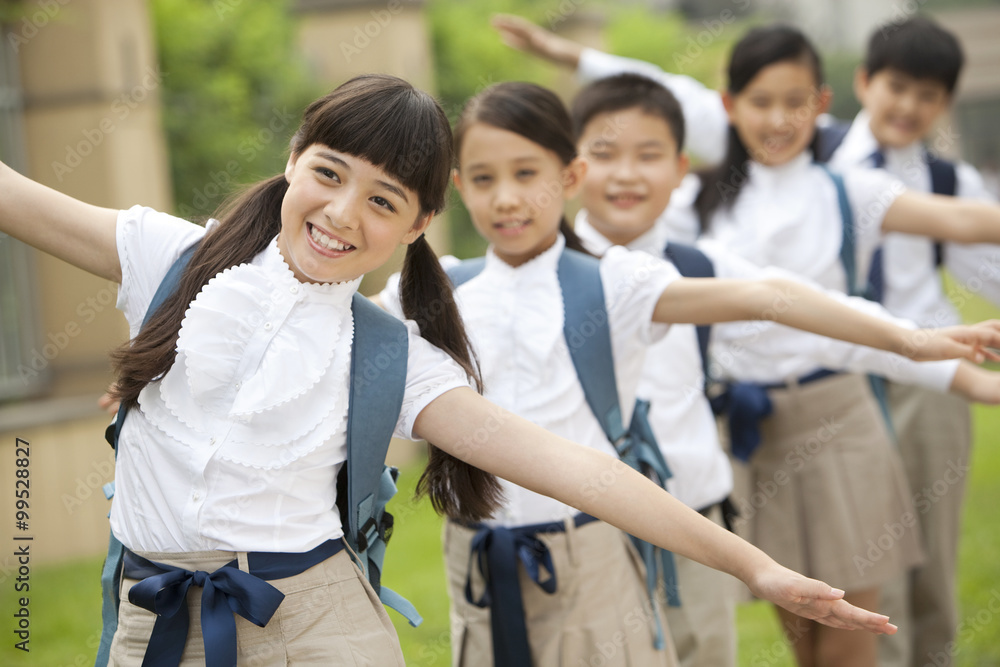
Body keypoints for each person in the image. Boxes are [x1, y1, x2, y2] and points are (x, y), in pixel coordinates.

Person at [1, 73, 949, 667]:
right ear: (293, 161)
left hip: (317, 629)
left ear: (416, 225)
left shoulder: (392, 354)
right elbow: (20, 199)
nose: (341, 214)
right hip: (150, 615)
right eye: (327, 173)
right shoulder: (168, 257)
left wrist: (758, 566)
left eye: (383, 200)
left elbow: (582, 470)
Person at [375, 80, 1000, 667]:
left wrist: (907, 339)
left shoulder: (614, 282)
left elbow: (765, 294)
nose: (506, 197)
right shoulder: (435, 290)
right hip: (476, 559)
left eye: (527, 174)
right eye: (484, 179)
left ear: (569, 177)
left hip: (594, 550)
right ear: (458, 186)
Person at [566, 70, 1000, 667]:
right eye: (605, 153)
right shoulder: (550, 273)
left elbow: (799, 309)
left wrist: (914, 341)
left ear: (681, 168)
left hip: (695, 517)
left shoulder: (697, 263)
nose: (627, 173)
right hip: (582, 528)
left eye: (649, 155)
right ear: (572, 167)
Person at [824, 18, 1000, 666]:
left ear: (944, 104)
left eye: (927, 95)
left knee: (932, 543)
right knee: (865, 548)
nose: (908, 106)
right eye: (896, 86)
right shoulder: (814, 160)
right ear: (864, 82)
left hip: (937, 379)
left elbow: (990, 270)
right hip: (841, 379)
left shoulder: (950, 182)